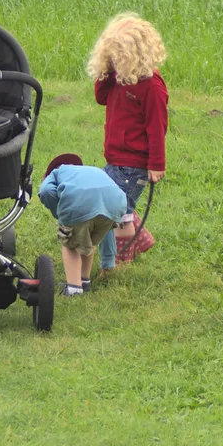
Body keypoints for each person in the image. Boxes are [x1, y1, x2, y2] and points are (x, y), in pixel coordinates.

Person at [88, 13, 168, 265]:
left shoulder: (151, 87)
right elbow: (101, 98)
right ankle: (140, 241)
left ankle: (120, 262)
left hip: (134, 163)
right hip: (115, 157)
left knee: (117, 213)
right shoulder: (119, 78)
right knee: (118, 203)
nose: (114, 60)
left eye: (118, 56)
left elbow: (157, 128)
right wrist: (106, 72)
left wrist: (156, 164)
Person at [37, 153, 128, 295]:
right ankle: (84, 281)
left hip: (81, 204)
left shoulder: (56, 172)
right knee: (89, 240)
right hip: (115, 205)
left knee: (70, 244)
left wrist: (61, 216)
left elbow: (46, 191)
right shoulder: (92, 170)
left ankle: (74, 289)